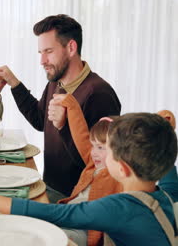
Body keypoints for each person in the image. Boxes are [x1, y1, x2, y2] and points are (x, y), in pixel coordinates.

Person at [0, 112, 178, 246]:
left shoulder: (119, 208)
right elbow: (170, 175)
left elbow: (59, 214)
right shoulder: (166, 194)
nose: (99, 154)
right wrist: (163, 128)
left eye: (107, 149)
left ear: (122, 168)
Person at [0, 14, 121, 202]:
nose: (42, 61)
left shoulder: (99, 94)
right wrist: (14, 84)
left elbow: (99, 165)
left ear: (71, 48)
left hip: (75, 199)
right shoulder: (57, 83)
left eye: (48, 51)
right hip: (49, 186)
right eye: (40, 53)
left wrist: (63, 126)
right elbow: (39, 119)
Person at [54, 93, 177, 245]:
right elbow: (81, 135)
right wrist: (72, 107)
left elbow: (150, 153)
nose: (93, 152)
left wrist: (163, 130)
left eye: (101, 147)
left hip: (83, 229)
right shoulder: (95, 161)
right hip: (68, 213)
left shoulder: (119, 176)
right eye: (93, 145)